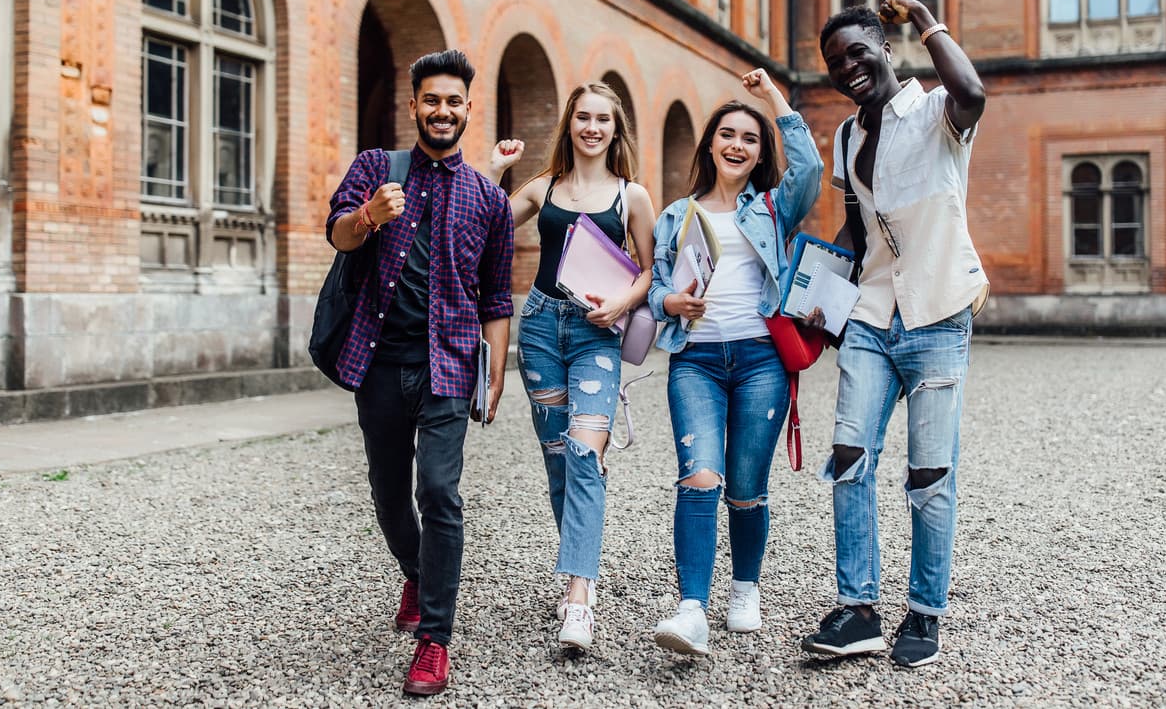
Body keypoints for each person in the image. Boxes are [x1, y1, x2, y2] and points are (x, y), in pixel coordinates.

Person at [800, 0, 989, 668]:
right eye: (834, 60)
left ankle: (925, 612)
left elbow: (973, 88)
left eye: (857, 50)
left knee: (929, 474)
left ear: (885, 47)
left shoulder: (939, 111)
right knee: (849, 460)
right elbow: (859, 228)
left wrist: (923, 16)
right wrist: (821, 292)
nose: (847, 65)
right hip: (874, 318)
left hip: (937, 314)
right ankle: (859, 609)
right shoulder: (847, 135)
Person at [325, 49, 514, 696]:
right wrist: (368, 216)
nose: (443, 111)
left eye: (454, 101)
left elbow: (495, 296)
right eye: (431, 100)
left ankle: (435, 637)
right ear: (414, 107)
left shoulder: (488, 198)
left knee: (439, 491)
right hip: (379, 362)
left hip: (450, 366)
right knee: (386, 492)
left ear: (468, 109)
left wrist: (494, 374)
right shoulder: (377, 169)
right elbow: (340, 237)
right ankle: (415, 568)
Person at [647, 69, 822, 655]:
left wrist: (773, 99)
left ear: (759, 151)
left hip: (759, 361)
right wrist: (669, 300)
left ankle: (744, 588)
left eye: (749, 138)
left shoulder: (772, 207)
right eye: (727, 134)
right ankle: (691, 607)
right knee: (699, 477)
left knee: (746, 486)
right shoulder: (676, 214)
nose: (737, 145)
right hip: (694, 360)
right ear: (710, 144)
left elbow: (813, 171)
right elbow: (652, 289)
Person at [485, 81, 656, 652]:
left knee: (585, 454)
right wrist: (496, 171)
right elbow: (485, 227)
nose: (592, 127)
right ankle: (579, 563)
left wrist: (622, 305)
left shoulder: (631, 196)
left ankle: (578, 597)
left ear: (615, 129)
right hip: (539, 327)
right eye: (583, 117)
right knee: (559, 460)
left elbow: (650, 271)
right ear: (571, 124)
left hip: (596, 333)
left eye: (603, 119)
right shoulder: (545, 188)